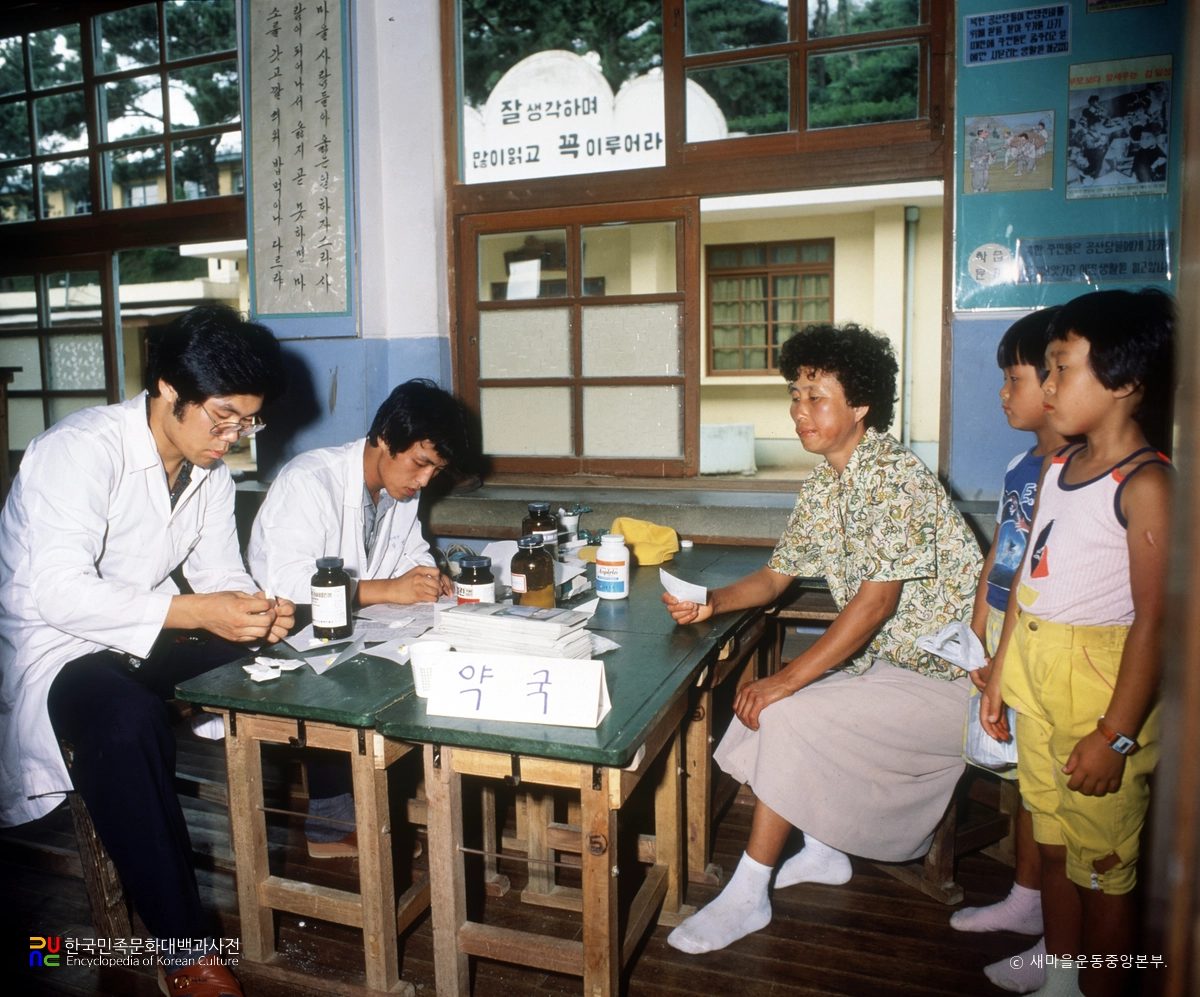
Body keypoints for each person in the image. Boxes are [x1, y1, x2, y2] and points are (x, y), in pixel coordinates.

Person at [0, 304, 292, 997]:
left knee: (274, 664)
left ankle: (304, 867)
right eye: (222, 416)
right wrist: (200, 610)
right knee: (124, 718)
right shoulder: (78, 450)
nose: (233, 436)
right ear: (167, 389)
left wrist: (254, 611)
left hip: (143, 632)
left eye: (247, 420)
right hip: (60, 647)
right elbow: (62, 595)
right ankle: (186, 951)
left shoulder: (209, 474)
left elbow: (221, 576)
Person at [662, 323, 982, 955]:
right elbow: (778, 576)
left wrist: (788, 676)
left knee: (787, 709)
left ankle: (749, 894)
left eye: (817, 396)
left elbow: (874, 603)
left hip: (952, 683)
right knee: (783, 705)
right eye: (795, 393)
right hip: (898, 670)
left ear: (860, 405)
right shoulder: (828, 483)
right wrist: (709, 602)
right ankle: (825, 849)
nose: (799, 410)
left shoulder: (891, 476)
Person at [981, 289, 1173, 997]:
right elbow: (1026, 582)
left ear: (1124, 381)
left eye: (1061, 368)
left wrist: (1116, 735)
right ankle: (1061, 980)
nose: (1050, 385)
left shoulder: (1146, 484)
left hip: (1097, 699)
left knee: (1104, 872)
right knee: (1058, 848)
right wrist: (1001, 673)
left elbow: (1156, 621)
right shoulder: (1058, 469)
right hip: (1037, 681)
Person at [248, 378, 469, 856]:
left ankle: (381, 807)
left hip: (357, 627)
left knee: (424, 662)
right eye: (421, 463)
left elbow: (412, 552)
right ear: (384, 438)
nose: (425, 480)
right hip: (286, 628)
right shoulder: (310, 480)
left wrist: (430, 577)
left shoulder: (400, 492)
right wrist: (390, 589)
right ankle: (331, 824)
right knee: (344, 678)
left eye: (436, 469)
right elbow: (288, 583)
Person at [952, 308, 1070, 994]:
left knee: (1054, 799)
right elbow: (1001, 552)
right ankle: (1027, 899)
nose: (1003, 391)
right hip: (1001, 630)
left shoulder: (1073, 469)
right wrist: (978, 632)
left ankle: (1065, 947)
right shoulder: (1023, 462)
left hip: (1038, 643)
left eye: (1015, 376)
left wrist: (1004, 657)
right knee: (1027, 785)